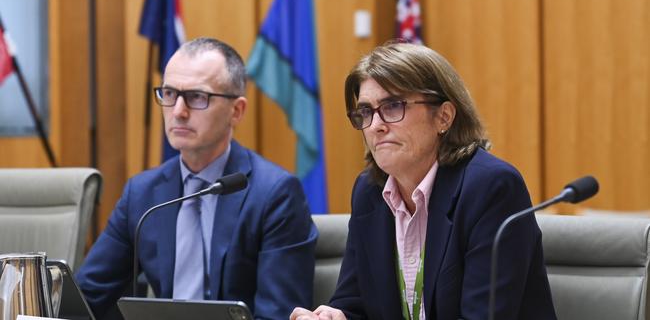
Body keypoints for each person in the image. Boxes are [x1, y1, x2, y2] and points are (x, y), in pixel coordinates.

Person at [291, 42, 556, 320]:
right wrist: (336, 317)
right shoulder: (370, 191)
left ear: (444, 117)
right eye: (366, 112)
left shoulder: (491, 189)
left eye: (393, 106)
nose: (376, 125)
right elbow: (354, 301)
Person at [77, 37, 318, 320]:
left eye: (197, 97)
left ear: (236, 111)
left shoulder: (275, 194)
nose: (178, 111)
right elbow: (86, 297)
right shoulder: (142, 193)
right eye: (169, 94)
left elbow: (279, 315)